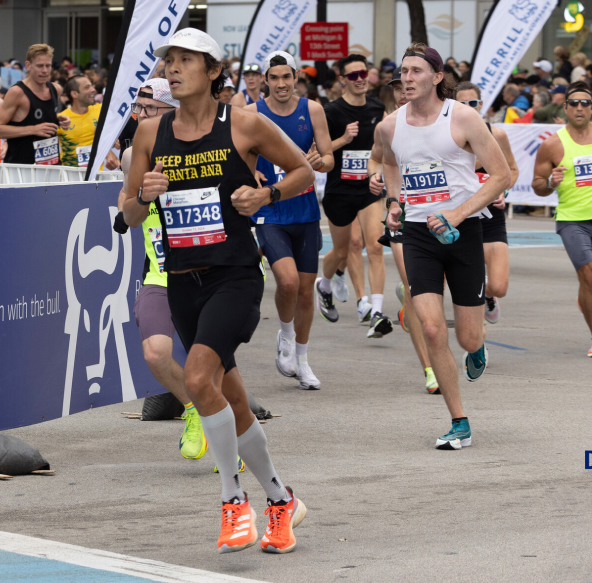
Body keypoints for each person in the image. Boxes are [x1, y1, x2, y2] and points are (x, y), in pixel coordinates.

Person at [124, 28, 311, 554]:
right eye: (169, 61)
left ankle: (234, 501)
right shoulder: (149, 135)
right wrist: (143, 193)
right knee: (229, 398)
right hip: (182, 283)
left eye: (186, 60)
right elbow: (127, 212)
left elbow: (303, 172)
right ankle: (281, 499)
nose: (174, 68)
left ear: (212, 71)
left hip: (234, 275)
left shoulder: (246, 123)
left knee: (199, 377)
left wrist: (267, 193)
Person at [381, 44, 510, 449]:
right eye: (403, 71)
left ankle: (478, 347)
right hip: (418, 235)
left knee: (468, 338)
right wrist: (394, 201)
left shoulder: (464, 117)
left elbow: (501, 175)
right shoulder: (389, 125)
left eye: (416, 70)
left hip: (464, 232)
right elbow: (387, 162)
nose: (407, 77)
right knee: (433, 328)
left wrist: (456, 214)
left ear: (437, 77)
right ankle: (459, 421)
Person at [112, 78, 209, 461]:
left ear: (174, 110)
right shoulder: (133, 154)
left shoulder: (204, 147)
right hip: (160, 272)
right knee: (155, 353)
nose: (140, 115)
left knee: (214, 364)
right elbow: (127, 211)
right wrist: (138, 198)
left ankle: (230, 437)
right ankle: (194, 410)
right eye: (138, 108)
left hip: (206, 269)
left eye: (149, 108)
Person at [246, 51, 335, 389]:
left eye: (287, 77)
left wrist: (320, 161)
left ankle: (303, 358)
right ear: (266, 80)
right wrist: (249, 169)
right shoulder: (252, 113)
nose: (281, 83)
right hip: (269, 210)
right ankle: (285, 336)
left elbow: (328, 157)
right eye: (275, 77)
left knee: (305, 293)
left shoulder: (312, 109)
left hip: (305, 211)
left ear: (296, 77)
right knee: (287, 282)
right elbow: (239, 153)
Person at [532, 81, 592, 358]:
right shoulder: (552, 145)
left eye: (584, 103)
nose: (579, 108)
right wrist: (550, 181)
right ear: (564, 108)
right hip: (571, 221)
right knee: (588, 274)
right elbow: (537, 185)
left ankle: (586, 297)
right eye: (573, 103)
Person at [369, 68, 439, 395]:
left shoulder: (443, 118)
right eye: (397, 87)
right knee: (413, 288)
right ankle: (429, 368)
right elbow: (375, 160)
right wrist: (374, 176)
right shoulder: (388, 126)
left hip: (439, 216)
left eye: (408, 85)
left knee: (436, 290)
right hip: (402, 216)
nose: (402, 91)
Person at [316, 54, 393, 339]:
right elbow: (317, 154)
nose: (360, 79)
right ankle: (324, 284)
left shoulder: (377, 107)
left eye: (363, 74)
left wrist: (379, 172)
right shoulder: (331, 111)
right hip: (339, 191)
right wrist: (343, 141)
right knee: (343, 249)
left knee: (373, 245)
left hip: (369, 188)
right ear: (342, 81)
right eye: (353, 76)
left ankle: (373, 308)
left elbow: (385, 148)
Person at [454, 82, 519, 323]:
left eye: (472, 104)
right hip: (461, 216)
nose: (468, 109)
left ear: (480, 105)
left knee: (499, 286)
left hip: (492, 217)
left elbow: (512, 169)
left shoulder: (497, 134)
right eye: (462, 104)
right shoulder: (449, 137)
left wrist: (504, 190)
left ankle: (489, 297)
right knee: (464, 286)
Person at [0, 44, 71, 164]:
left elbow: (39, 116)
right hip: (22, 168)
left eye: (48, 66)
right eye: (39, 66)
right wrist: (33, 129)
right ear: (28, 65)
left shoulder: (56, 89)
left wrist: (58, 119)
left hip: (51, 165)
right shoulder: (17, 92)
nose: (44, 70)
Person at [57, 75, 101, 168]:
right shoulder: (62, 119)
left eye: (92, 86)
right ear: (74, 94)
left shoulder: (101, 111)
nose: (93, 90)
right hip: (71, 178)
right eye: (87, 87)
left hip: (97, 177)